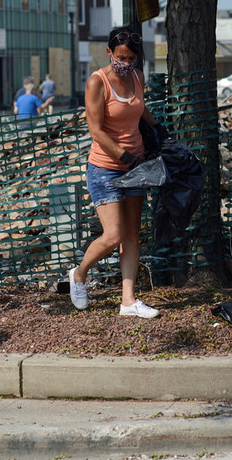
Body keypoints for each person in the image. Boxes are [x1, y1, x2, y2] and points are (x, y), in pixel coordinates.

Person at [68, 26, 170, 319]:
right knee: (113, 235)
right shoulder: (97, 82)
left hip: (136, 168)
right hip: (105, 169)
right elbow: (96, 131)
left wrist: (159, 129)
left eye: (131, 58)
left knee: (132, 235)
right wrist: (126, 157)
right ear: (109, 52)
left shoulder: (137, 77)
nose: (125, 63)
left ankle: (128, 301)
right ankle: (79, 274)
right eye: (121, 57)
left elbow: (139, 109)